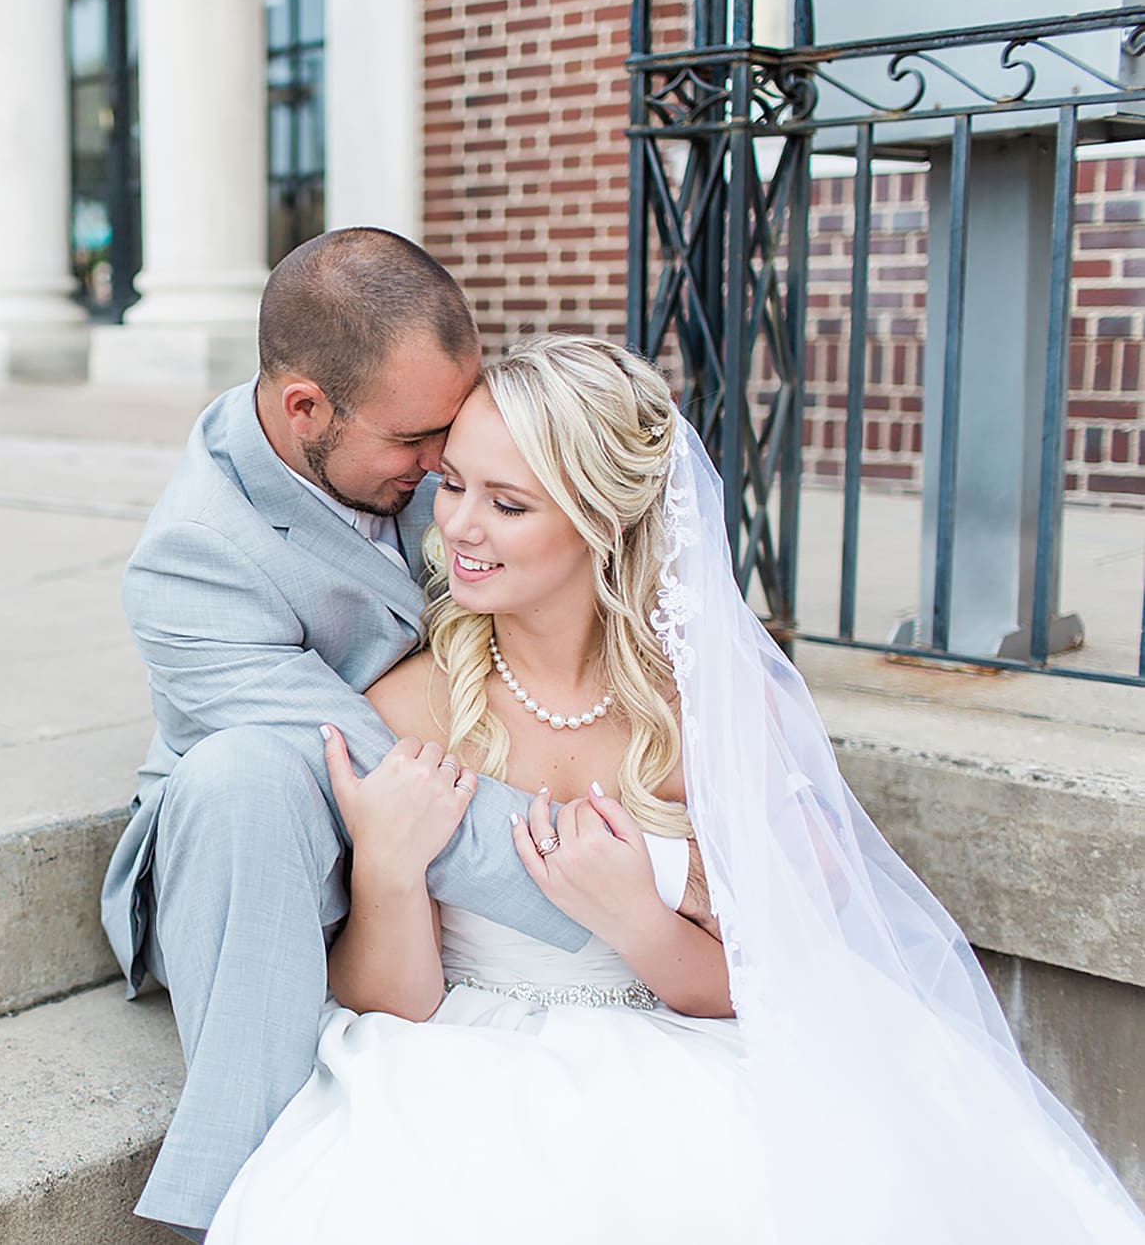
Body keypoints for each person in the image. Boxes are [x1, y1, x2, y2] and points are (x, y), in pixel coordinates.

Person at [205, 335, 1145, 1244]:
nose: (458, 525)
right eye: (452, 483)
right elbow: (391, 1006)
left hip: (686, 1046)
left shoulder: (708, 711)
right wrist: (390, 873)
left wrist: (643, 926)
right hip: (455, 1059)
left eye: (509, 503)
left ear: (601, 519)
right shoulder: (407, 701)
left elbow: (782, 971)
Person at [105, 230, 615, 1238]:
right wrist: (612, 886)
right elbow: (382, 777)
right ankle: (238, 1204)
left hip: (460, 813)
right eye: (420, 443)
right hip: (278, 847)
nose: (445, 468)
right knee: (241, 774)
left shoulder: (410, 427)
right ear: (306, 409)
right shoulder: (192, 559)